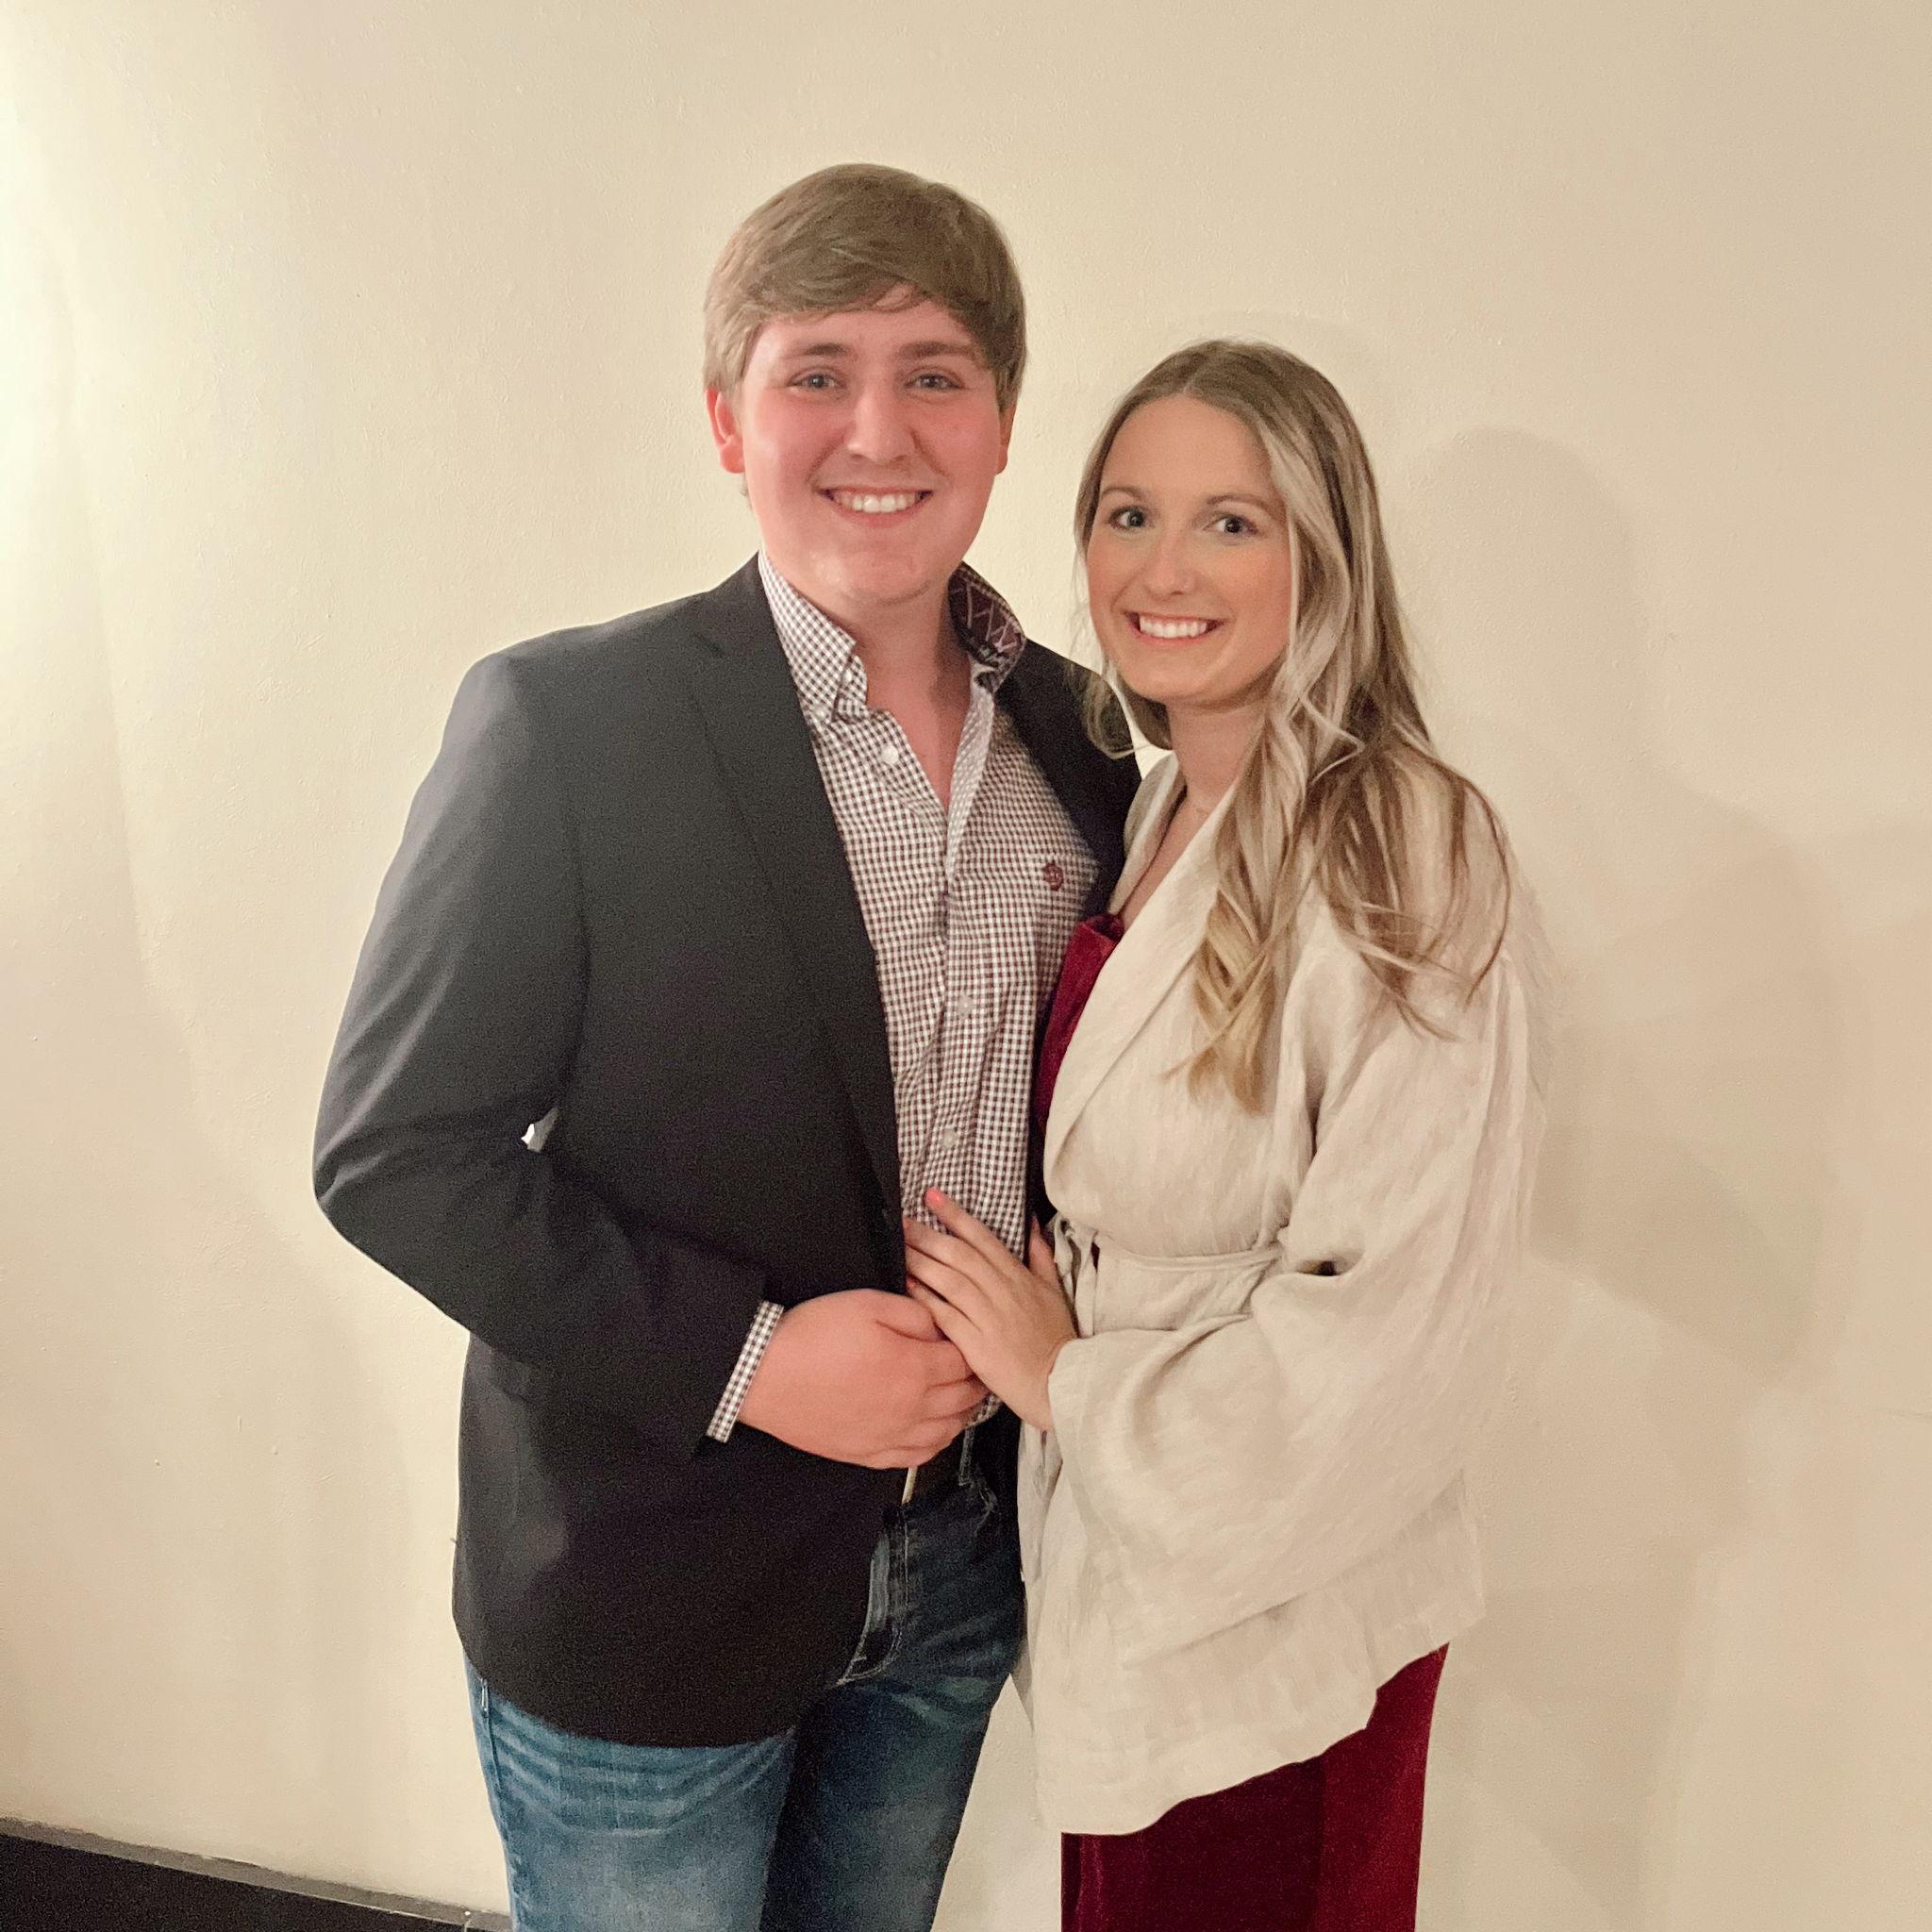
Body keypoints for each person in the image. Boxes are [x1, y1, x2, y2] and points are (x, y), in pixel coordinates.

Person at [313, 163, 1136, 1932]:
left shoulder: (1087, 745)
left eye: (933, 374)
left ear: (1003, 424)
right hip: (646, 1577)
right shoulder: (567, 724)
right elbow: (394, 1156)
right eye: (815, 372)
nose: (877, 430)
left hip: (965, 1564)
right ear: (724, 422)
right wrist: (752, 1361)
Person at [901, 340, 1541, 1931]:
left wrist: (1068, 1383)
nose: (1163, 569)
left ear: (1326, 557)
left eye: (1230, 523)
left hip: (1280, 1612)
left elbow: (1401, 1320)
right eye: (1129, 515)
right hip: (1123, 1580)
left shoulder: (1403, 842)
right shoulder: (1150, 812)